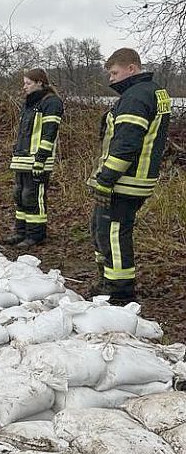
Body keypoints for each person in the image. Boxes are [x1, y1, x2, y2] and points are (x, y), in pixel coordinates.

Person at [87, 48, 171, 305]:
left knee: (112, 232)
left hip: (126, 180)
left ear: (131, 68)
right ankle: (107, 280)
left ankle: (119, 290)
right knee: (101, 227)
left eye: (114, 72)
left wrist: (106, 178)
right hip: (136, 178)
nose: (111, 79)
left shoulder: (136, 97)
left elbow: (127, 143)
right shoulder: (152, 91)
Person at [5, 69, 64, 248]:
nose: (24, 87)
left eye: (28, 83)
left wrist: (41, 158)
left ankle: (35, 235)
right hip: (22, 159)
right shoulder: (28, 104)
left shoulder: (51, 102)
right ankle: (20, 232)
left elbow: (49, 133)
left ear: (39, 82)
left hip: (37, 160)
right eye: (24, 83)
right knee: (20, 196)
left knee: (33, 197)